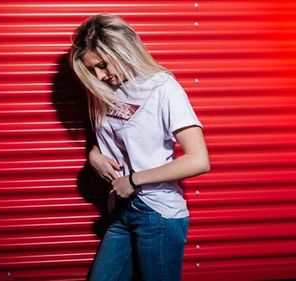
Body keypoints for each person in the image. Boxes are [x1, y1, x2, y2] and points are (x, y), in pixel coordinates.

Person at [69, 14, 210, 281]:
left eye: (102, 65)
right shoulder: (102, 90)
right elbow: (107, 142)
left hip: (157, 213)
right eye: (92, 70)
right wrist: (94, 157)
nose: (100, 76)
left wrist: (133, 180)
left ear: (122, 50)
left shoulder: (163, 88)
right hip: (121, 209)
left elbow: (198, 160)